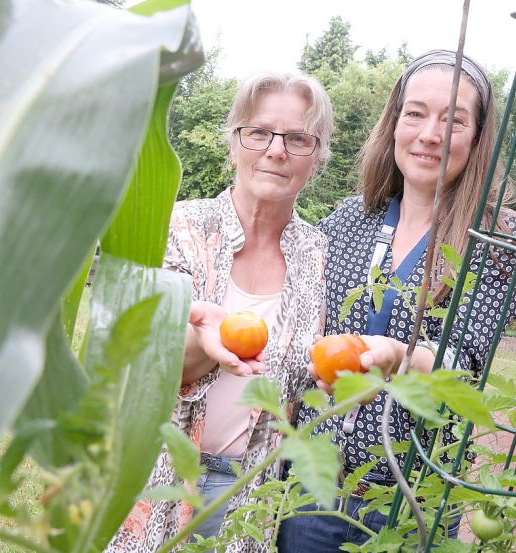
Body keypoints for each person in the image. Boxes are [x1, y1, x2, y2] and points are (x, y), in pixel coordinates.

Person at [277, 50, 516, 550]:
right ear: (393, 124)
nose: (429, 134)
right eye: (414, 113)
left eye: (453, 120)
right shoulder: (350, 220)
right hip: (312, 489)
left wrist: (400, 357)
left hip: (412, 500)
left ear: (479, 138)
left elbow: (464, 363)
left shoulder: (500, 241)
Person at [107, 71, 333, 553]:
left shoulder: (317, 254)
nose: (276, 150)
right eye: (259, 133)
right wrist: (205, 343)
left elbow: (304, 380)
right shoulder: (178, 227)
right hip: (154, 477)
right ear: (234, 146)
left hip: (249, 496)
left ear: (316, 159)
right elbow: (146, 364)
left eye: (297, 139)